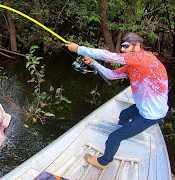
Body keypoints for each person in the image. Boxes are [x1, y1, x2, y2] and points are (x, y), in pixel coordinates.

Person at [65, 32, 169, 169]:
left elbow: (109, 56)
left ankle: (104, 162)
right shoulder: (134, 64)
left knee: (114, 137)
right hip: (142, 106)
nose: (122, 50)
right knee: (124, 115)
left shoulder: (144, 58)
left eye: (126, 46)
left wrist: (79, 49)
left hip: (151, 115)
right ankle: (127, 130)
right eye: (122, 47)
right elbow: (112, 75)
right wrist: (94, 63)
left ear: (137, 46)